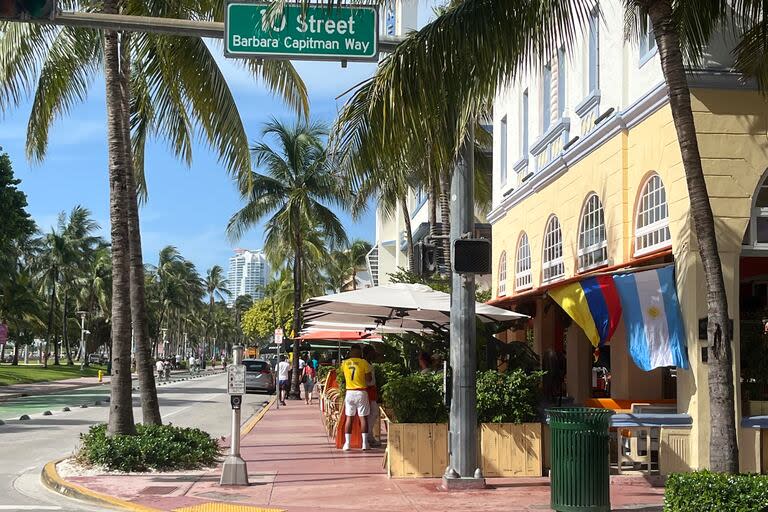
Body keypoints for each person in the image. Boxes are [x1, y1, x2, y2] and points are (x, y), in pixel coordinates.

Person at [341, 344, 373, 451]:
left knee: (349, 418)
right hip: (361, 392)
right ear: (359, 352)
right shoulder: (364, 362)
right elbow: (369, 379)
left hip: (349, 392)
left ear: (350, 352)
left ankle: (347, 444)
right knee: (363, 418)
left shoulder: (344, 363)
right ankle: (364, 443)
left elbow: (343, 377)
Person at [362, 345, 380, 447]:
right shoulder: (365, 364)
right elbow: (368, 380)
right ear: (368, 353)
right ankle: (368, 436)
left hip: (371, 390)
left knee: (372, 413)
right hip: (368, 390)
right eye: (372, 352)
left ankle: (370, 435)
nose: (374, 355)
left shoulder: (369, 363)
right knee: (372, 413)